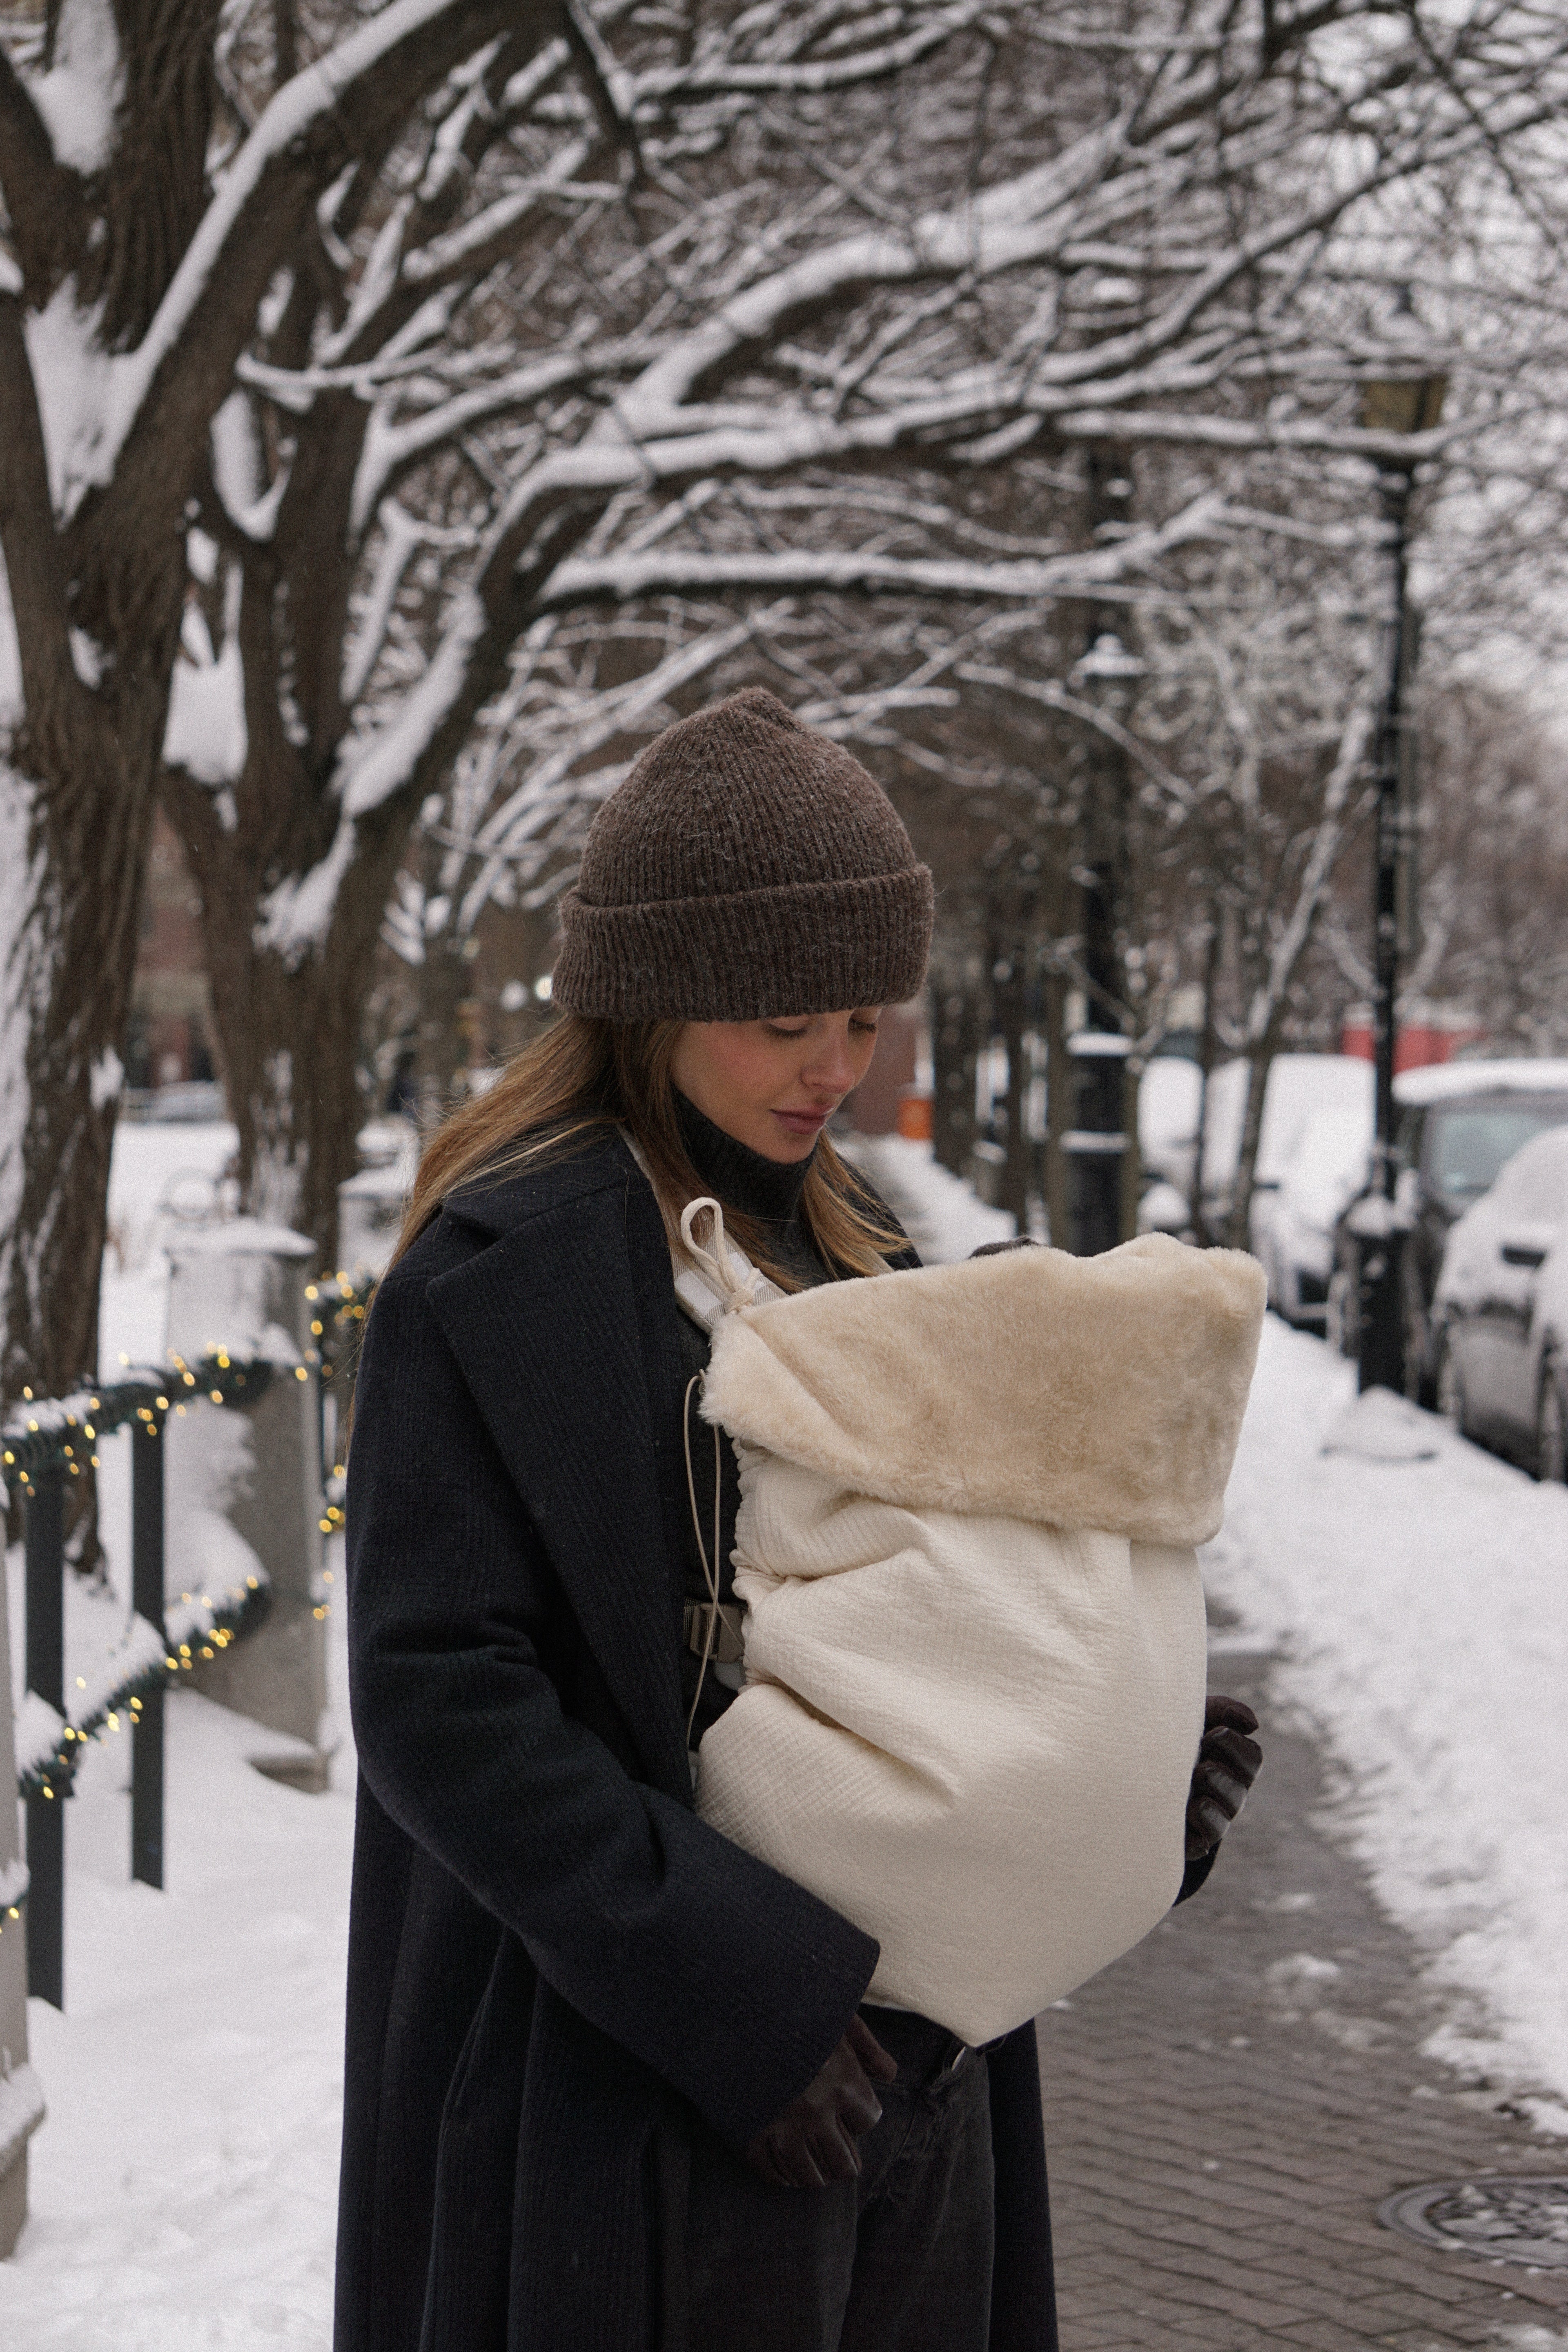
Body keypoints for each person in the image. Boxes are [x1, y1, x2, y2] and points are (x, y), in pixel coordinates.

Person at [334, 687, 1261, 2352]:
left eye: (860, 1017)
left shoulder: (865, 1257)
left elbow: (937, 1631)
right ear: (654, 997)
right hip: (625, 2084)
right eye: (783, 1023)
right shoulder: (508, 1273)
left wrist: (1114, 1786)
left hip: (915, 2080)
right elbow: (441, 1700)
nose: (833, 1067)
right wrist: (741, 2001)